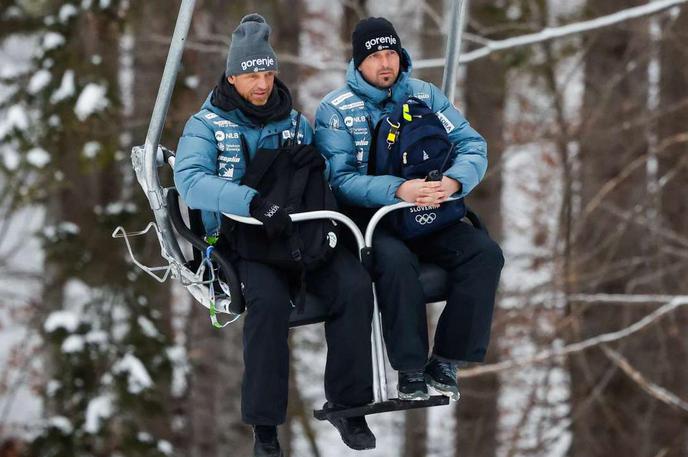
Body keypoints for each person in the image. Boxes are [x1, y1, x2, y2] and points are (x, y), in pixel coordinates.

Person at [174, 14, 376, 456]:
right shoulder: (207, 126)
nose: (262, 84)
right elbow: (190, 180)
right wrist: (251, 202)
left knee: (355, 286)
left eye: (267, 73)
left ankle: (348, 405)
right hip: (241, 241)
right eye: (251, 75)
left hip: (296, 232)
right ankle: (264, 427)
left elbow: (319, 175)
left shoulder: (294, 122)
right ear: (232, 77)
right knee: (266, 306)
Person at [315, 17, 504, 402]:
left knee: (485, 255)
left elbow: (473, 145)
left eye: (391, 54)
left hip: (432, 210)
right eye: (375, 57)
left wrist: (453, 182)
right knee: (397, 264)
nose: (385, 64)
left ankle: (447, 358)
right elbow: (340, 179)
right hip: (373, 221)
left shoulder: (426, 95)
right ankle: (411, 367)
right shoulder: (336, 110)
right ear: (358, 63)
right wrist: (398, 189)